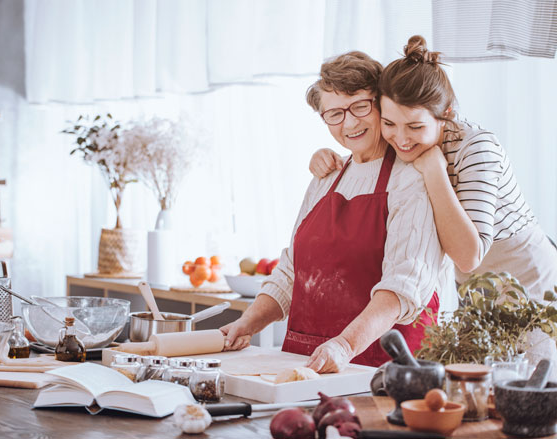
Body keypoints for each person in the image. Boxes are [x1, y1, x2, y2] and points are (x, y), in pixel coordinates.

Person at [309, 35, 557, 370]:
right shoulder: (403, 139)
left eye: (415, 126)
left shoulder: (477, 147)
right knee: (480, 387)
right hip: (474, 289)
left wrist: (435, 171)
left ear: (447, 114)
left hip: (527, 278)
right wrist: (327, 157)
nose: (400, 138)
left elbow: (468, 255)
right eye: (390, 123)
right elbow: (364, 150)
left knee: (532, 388)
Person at [220, 50, 451, 373]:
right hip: (308, 362)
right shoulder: (326, 176)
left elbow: (404, 286)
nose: (350, 123)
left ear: (381, 104)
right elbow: (292, 272)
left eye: (360, 106)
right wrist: (246, 324)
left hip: (382, 368)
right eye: (335, 114)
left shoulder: (412, 178)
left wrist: (345, 345)